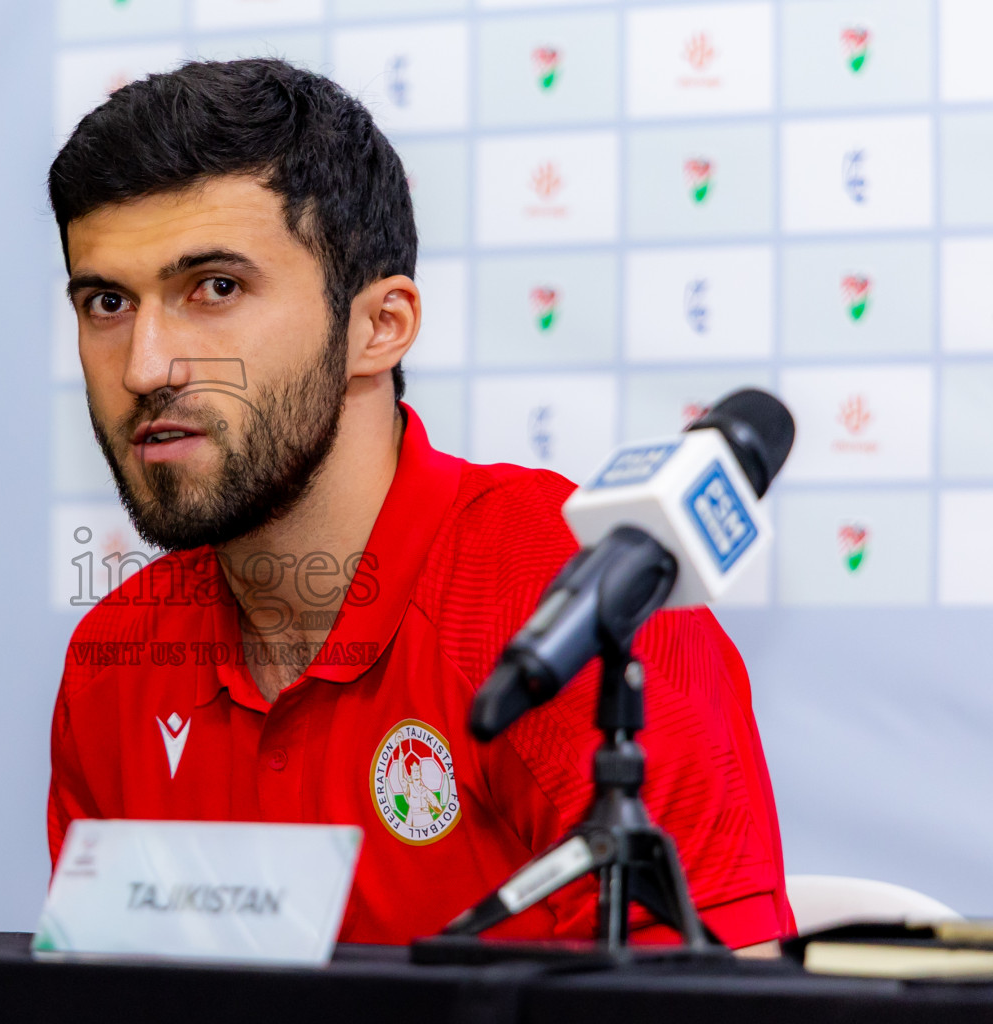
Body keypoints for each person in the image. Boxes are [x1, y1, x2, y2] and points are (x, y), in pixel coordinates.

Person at [45, 58, 793, 947]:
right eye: (107, 302)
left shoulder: (574, 606)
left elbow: (713, 1004)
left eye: (214, 289)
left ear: (379, 326)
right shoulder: (113, 659)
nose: (143, 366)